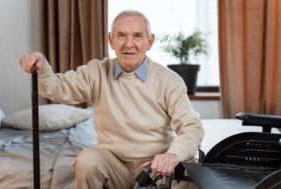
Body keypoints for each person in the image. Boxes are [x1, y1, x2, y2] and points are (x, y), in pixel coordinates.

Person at [19, 10, 204, 189]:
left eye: (137, 36)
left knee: (192, 171)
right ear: (111, 40)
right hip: (114, 165)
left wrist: (172, 155)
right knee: (87, 160)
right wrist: (40, 65)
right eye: (121, 35)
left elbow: (192, 127)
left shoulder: (169, 80)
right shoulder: (96, 72)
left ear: (150, 41)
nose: (129, 44)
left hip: (155, 167)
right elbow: (56, 88)